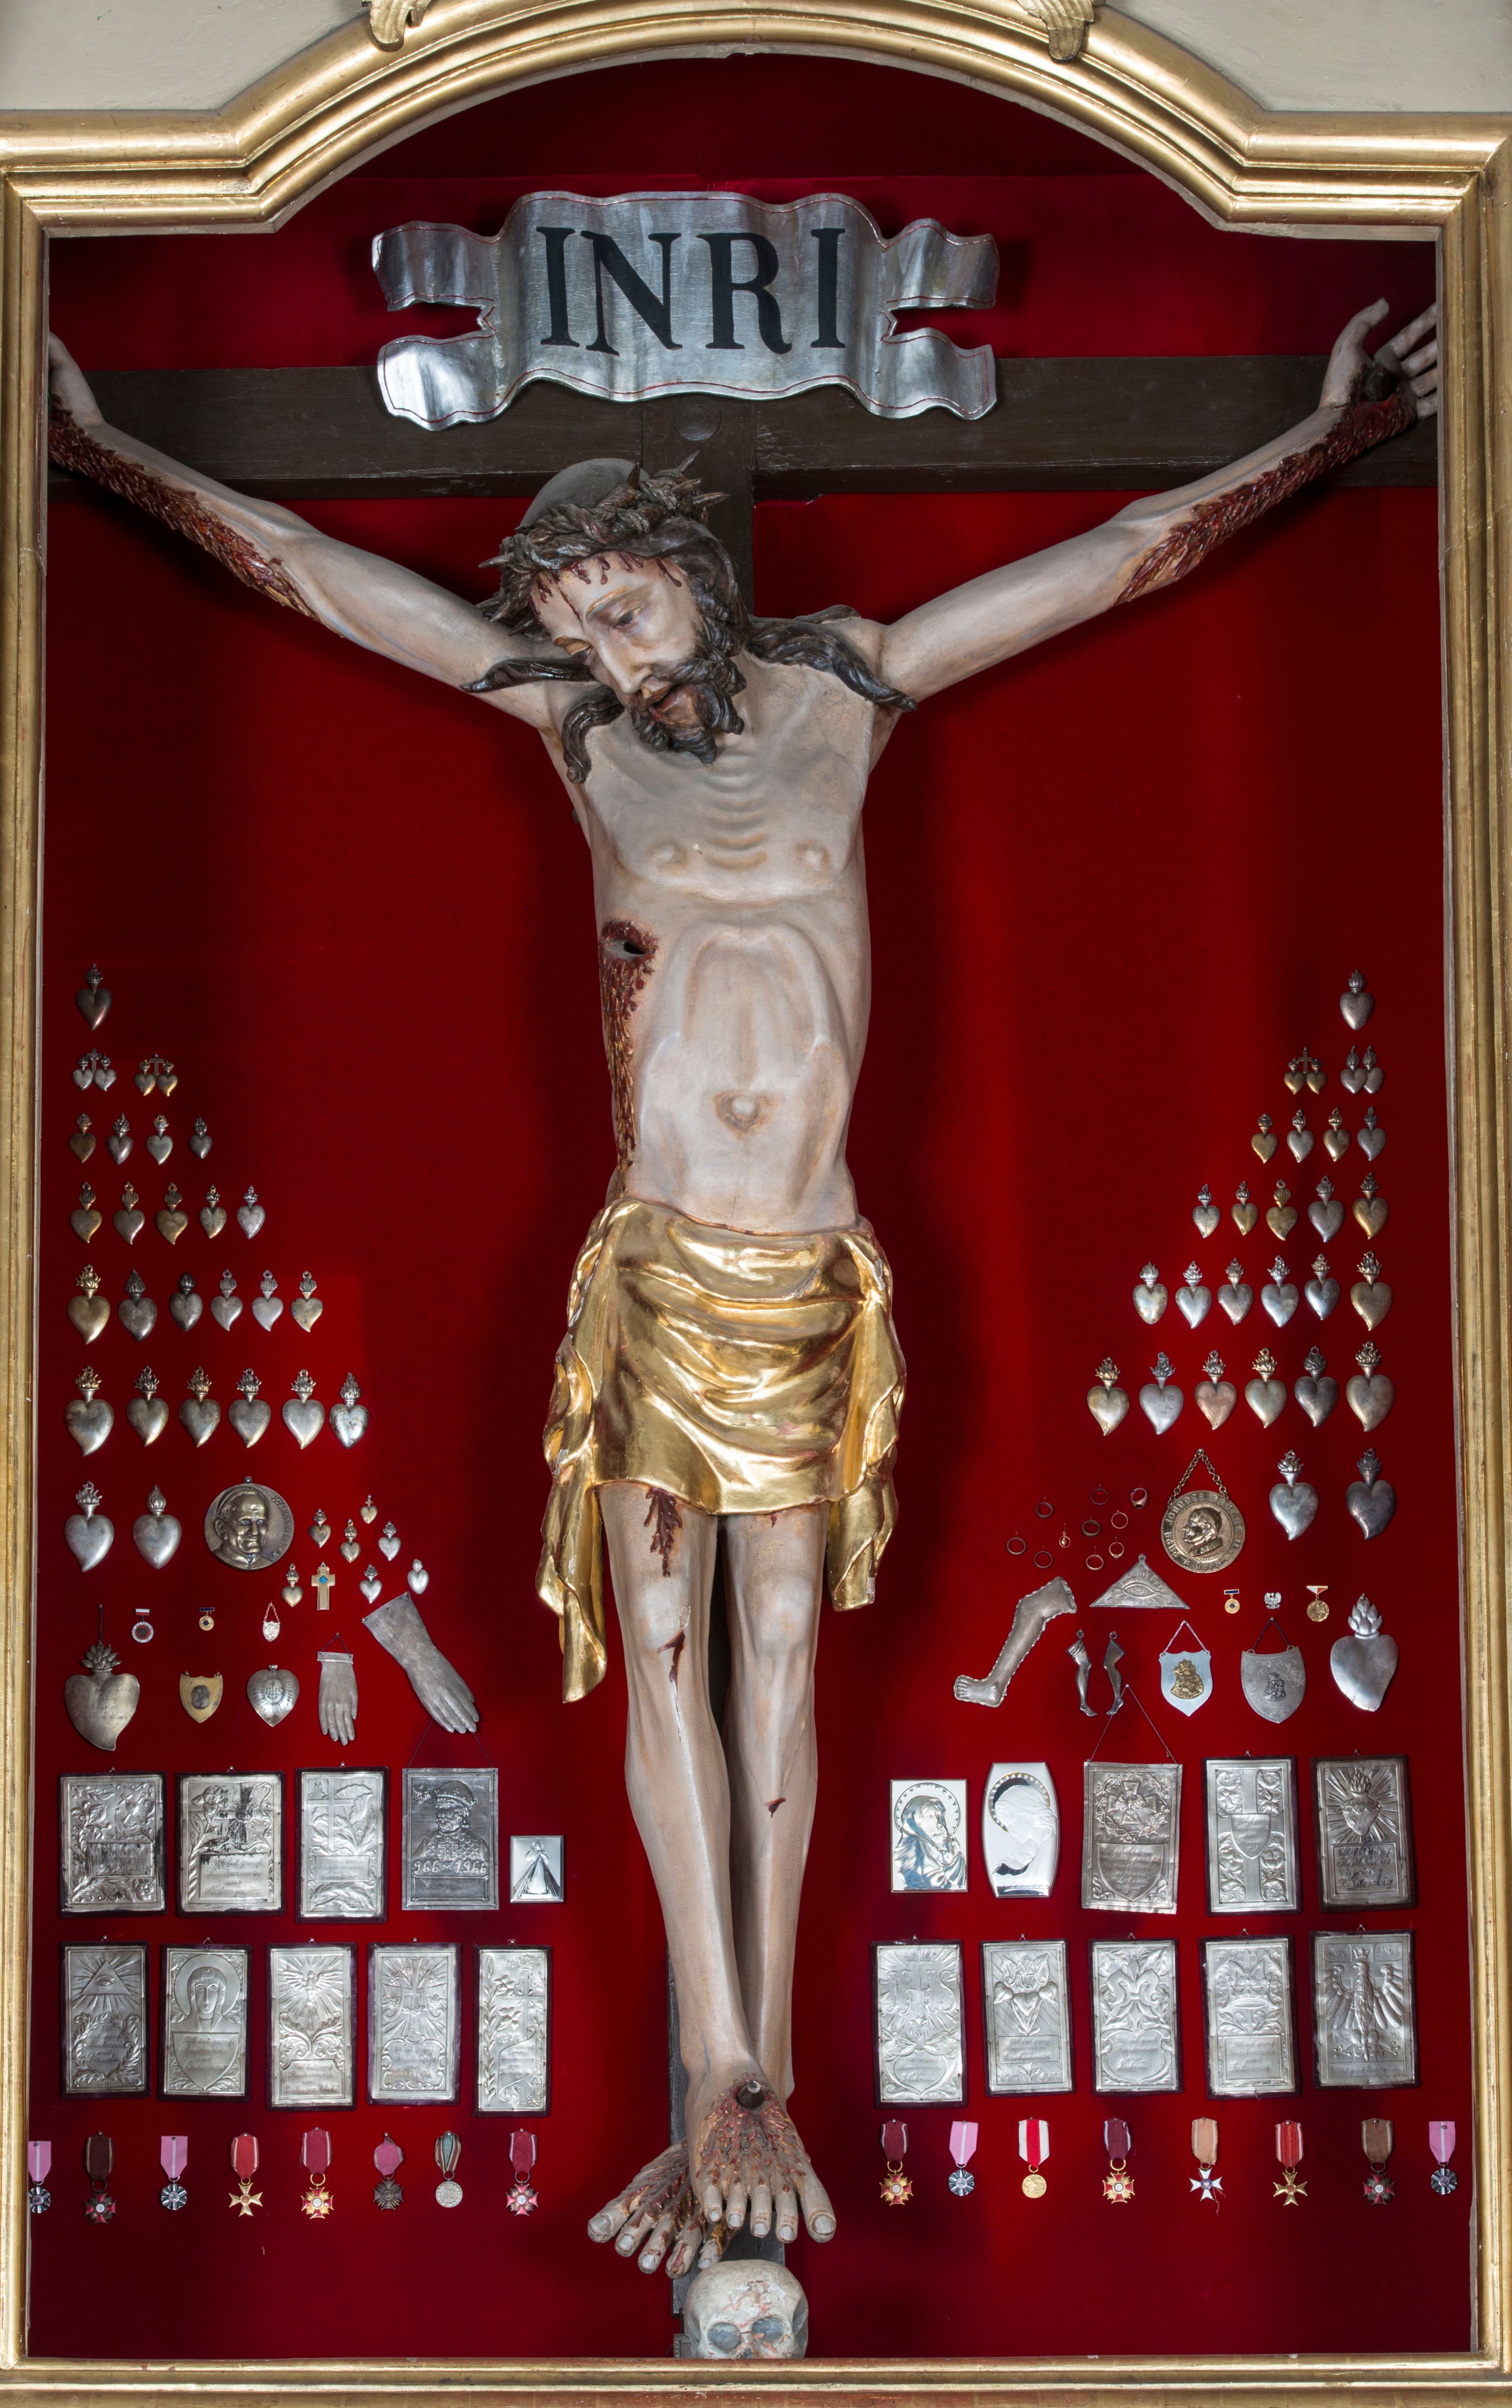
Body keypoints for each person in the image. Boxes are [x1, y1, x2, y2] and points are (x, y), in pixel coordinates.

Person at [46, 296, 1437, 2275]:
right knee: (664, 1643)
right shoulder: (578, 733)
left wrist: (1321, 442)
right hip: (651, 1255)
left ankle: (744, 2085)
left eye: (622, 608)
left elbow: (1113, 561)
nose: (610, 652)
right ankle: (718, 2069)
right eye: (580, 626)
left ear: (687, 569)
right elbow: (324, 581)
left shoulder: (849, 686)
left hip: (805, 1260)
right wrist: (110, 459)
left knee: (781, 1637)